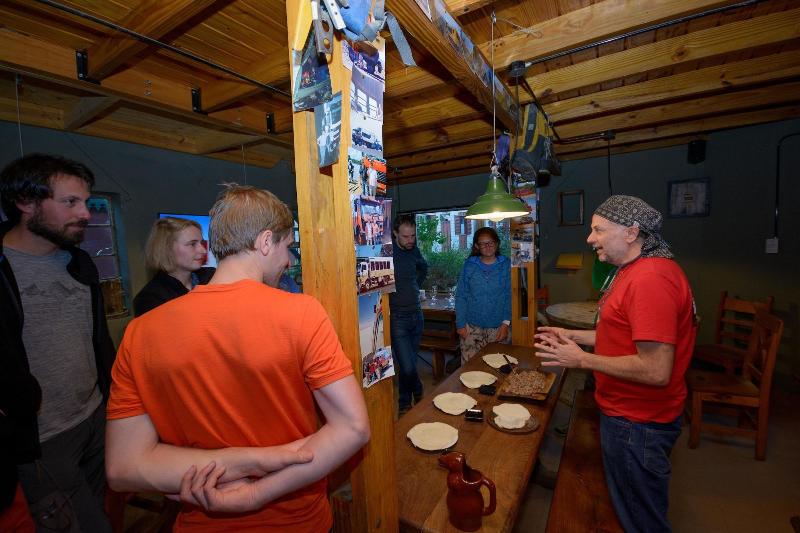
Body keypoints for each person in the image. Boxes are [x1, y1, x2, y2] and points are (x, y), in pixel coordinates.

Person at [105, 185, 370, 531]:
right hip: (297, 520)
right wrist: (257, 490)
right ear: (265, 242)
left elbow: (124, 467)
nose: (289, 261)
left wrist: (232, 464)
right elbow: (353, 427)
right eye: (287, 247)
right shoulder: (301, 313)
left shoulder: (139, 333)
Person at [534, 195, 697, 533]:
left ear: (631, 232)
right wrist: (573, 335)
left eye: (598, 230)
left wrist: (580, 359)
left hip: (638, 423)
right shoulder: (633, 270)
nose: (589, 238)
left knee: (640, 519)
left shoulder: (650, 279)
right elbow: (619, 334)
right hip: (629, 415)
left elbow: (656, 370)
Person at [0, 153, 116, 531]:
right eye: (70, 202)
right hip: (42, 437)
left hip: (94, 417)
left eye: (86, 202)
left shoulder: (79, 262)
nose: (84, 213)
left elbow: (98, 340)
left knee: (102, 509)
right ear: (25, 203)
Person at [133, 217, 215, 316]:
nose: (203, 250)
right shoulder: (151, 299)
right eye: (192, 244)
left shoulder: (212, 276)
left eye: (201, 243)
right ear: (167, 249)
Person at [389, 214, 428, 415]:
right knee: (407, 367)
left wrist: (415, 286)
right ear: (395, 234)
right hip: (397, 318)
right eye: (405, 236)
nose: (410, 240)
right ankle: (418, 389)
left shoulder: (414, 250)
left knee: (410, 364)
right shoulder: (386, 252)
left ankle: (404, 404)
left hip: (416, 316)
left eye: (413, 236)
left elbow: (424, 267)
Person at [455, 227, 511, 363]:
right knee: (470, 367)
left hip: (497, 328)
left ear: (497, 243)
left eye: (491, 242)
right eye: (483, 243)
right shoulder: (469, 265)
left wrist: (505, 324)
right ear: (476, 246)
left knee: (497, 367)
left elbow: (510, 295)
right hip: (471, 327)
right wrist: (460, 325)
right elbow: (461, 295)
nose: (487, 246)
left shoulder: (506, 265)